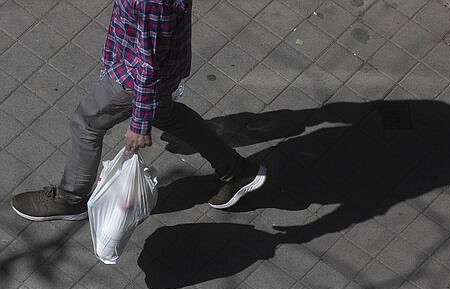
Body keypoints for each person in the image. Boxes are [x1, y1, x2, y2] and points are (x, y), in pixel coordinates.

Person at [11, 0, 266, 221]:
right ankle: (235, 170)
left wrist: (139, 123)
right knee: (169, 115)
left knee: (87, 122)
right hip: (147, 70)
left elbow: (148, 65)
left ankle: (71, 198)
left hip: (133, 80)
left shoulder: (150, 3)